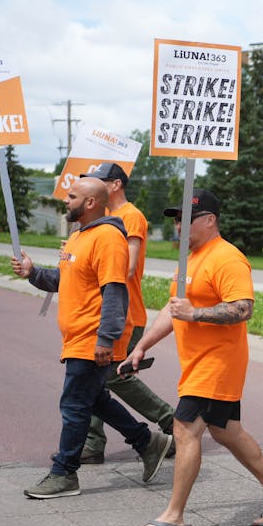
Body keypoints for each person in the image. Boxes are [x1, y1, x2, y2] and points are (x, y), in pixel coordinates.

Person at [126, 189, 263, 526]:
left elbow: (243, 308)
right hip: (197, 363)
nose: (179, 225)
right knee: (227, 431)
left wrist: (196, 313)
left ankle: (173, 516)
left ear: (209, 220)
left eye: (187, 219)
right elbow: (172, 309)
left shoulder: (226, 258)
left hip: (217, 362)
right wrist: (142, 345)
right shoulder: (188, 259)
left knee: (185, 427)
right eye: (176, 219)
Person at [12, 177, 172, 499]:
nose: (65, 201)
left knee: (73, 404)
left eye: (72, 196)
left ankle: (64, 473)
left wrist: (106, 339)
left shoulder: (109, 238)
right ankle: (147, 442)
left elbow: (115, 291)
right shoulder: (78, 237)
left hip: (91, 337)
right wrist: (32, 273)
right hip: (77, 338)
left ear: (90, 203)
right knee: (95, 399)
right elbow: (63, 279)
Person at [79, 163, 175, 464]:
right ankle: (93, 444)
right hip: (100, 310)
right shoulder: (102, 219)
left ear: (115, 185)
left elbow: (128, 267)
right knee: (91, 377)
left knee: (114, 375)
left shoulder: (130, 216)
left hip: (124, 312)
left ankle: (171, 421)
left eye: (98, 182)